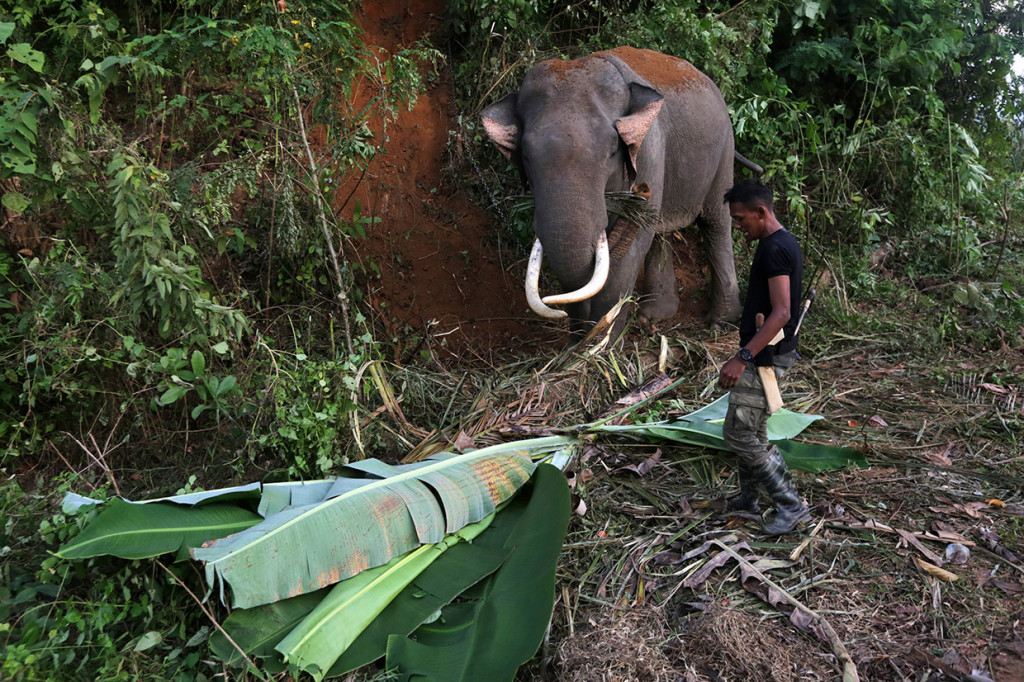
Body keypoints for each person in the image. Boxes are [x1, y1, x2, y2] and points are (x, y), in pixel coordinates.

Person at [717, 179, 810, 535]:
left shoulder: (774, 249)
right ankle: (748, 500)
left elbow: (782, 312)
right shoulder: (779, 243)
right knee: (752, 430)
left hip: (765, 356)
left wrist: (743, 356)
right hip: (768, 352)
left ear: (761, 212)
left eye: (741, 219)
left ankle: (791, 505)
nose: (738, 226)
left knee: (738, 433)